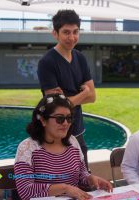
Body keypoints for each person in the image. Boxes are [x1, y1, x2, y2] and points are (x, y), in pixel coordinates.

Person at [14, 94, 112, 200]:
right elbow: (25, 190)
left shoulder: (72, 142)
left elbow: (81, 174)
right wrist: (64, 188)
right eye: (59, 119)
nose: (65, 123)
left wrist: (90, 179)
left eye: (69, 118)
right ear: (43, 120)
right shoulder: (27, 148)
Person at [37, 9, 95, 169]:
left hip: (78, 132)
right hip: (55, 134)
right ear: (55, 33)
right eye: (66, 32)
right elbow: (57, 107)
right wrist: (84, 92)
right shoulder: (47, 62)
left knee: (85, 180)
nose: (72, 37)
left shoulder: (80, 58)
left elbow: (93, 97)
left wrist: (70, 99)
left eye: (75, 32)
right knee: (59, 182)